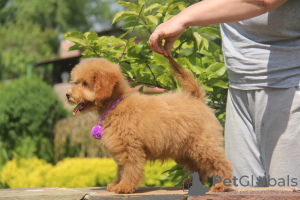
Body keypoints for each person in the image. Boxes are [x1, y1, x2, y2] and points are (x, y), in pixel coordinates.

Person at [149, 0, 300, 187]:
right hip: (239, 88)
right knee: (238, 190)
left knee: (286, 190)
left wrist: (184, 17)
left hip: (288, 88)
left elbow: (264, 2)